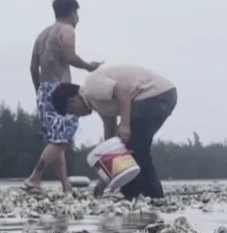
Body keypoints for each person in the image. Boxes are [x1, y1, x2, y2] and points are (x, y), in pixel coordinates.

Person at [50, 64, 176, 200]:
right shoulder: (99, 103)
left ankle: (150, 196)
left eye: (72, 112)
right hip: (159, 96)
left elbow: (123, 90)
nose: (77, 116)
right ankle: (140, 195)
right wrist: (103, 179)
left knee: (133, 148)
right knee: (131, 148)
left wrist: (125, 125)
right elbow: (111, 140)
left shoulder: (91, 86)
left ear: (73, 101)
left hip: (157, 93)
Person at [23, 0, 102, 195]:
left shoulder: (42, 34)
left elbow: (33, 68)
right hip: (62, 89)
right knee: (62, 139)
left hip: (44, 88)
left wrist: (39, 90)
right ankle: (34, 178)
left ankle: (66, 186)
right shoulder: (66, 29)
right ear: (73, 13)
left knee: (57, 139)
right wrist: (89, 66)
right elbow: (70, 57)